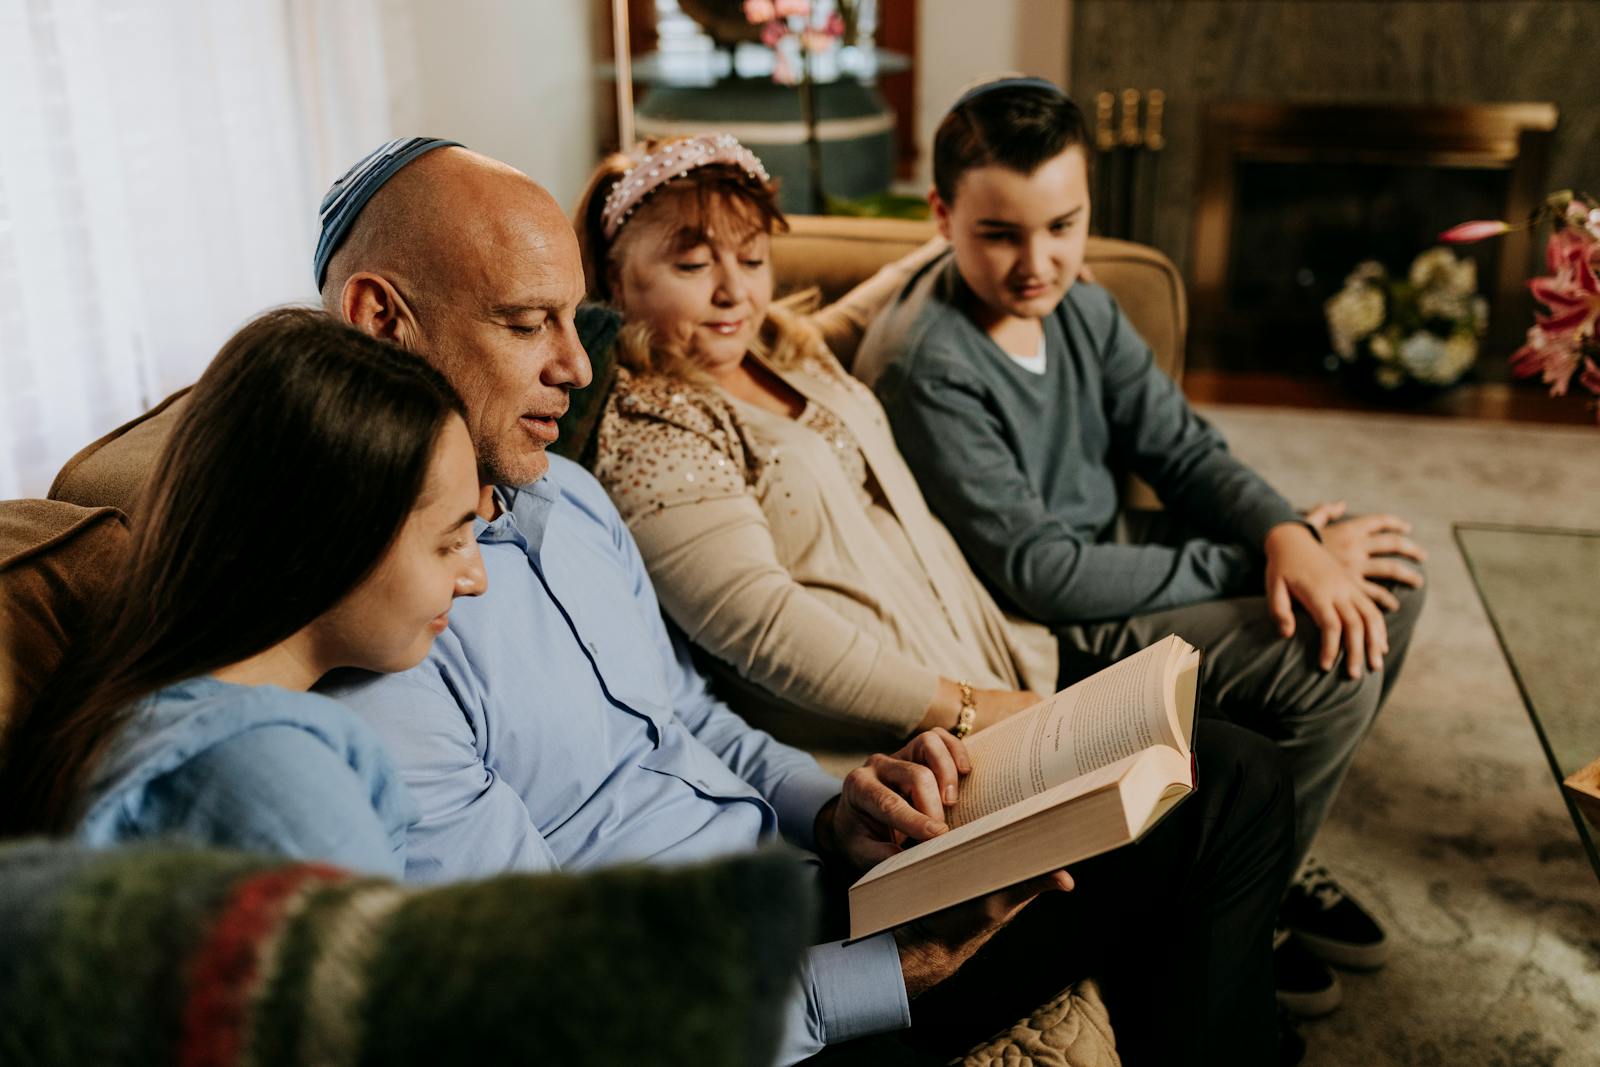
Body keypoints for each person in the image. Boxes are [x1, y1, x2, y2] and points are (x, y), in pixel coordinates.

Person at [311, 137, 1299, 1065]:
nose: (579, 366)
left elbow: (688, 714)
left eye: (574, 319)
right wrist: (887, 972)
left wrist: (838, 813)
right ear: (380, 318)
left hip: (815, 885)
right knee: (1224, 795)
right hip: (762, 1007)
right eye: (528, 324)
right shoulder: (377, 639)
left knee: (1216, 765)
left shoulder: (563, 495)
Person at [853, 77, 1428, 1016]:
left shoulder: (1079, 304)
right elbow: (1040, 571)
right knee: (1331, 669)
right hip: (1045, 623)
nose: (1038, 262)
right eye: (1000, 234)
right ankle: (1254, 895)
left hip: (1118, 555)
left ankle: (1272, 858)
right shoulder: (929, 364)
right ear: (942, 214)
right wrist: (1257, 562)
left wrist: (1291, 534)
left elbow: (1183, 447)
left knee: (1383, 587)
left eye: (1063, 226)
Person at [575, 134, 1051, 752]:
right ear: (615, 279)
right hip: (905, 739)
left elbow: (851, 314)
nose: (733, 292)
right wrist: (967, 710)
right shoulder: (647, 424)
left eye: (752, 260)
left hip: (992, 662)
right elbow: (762, 626)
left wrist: (958, 245)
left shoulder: (778, 345)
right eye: (692, 266)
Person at [0, 307, 488, 877]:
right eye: (448, 542)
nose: (476, 579)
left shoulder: (133, 710)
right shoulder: (264, 775)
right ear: (331, 541)